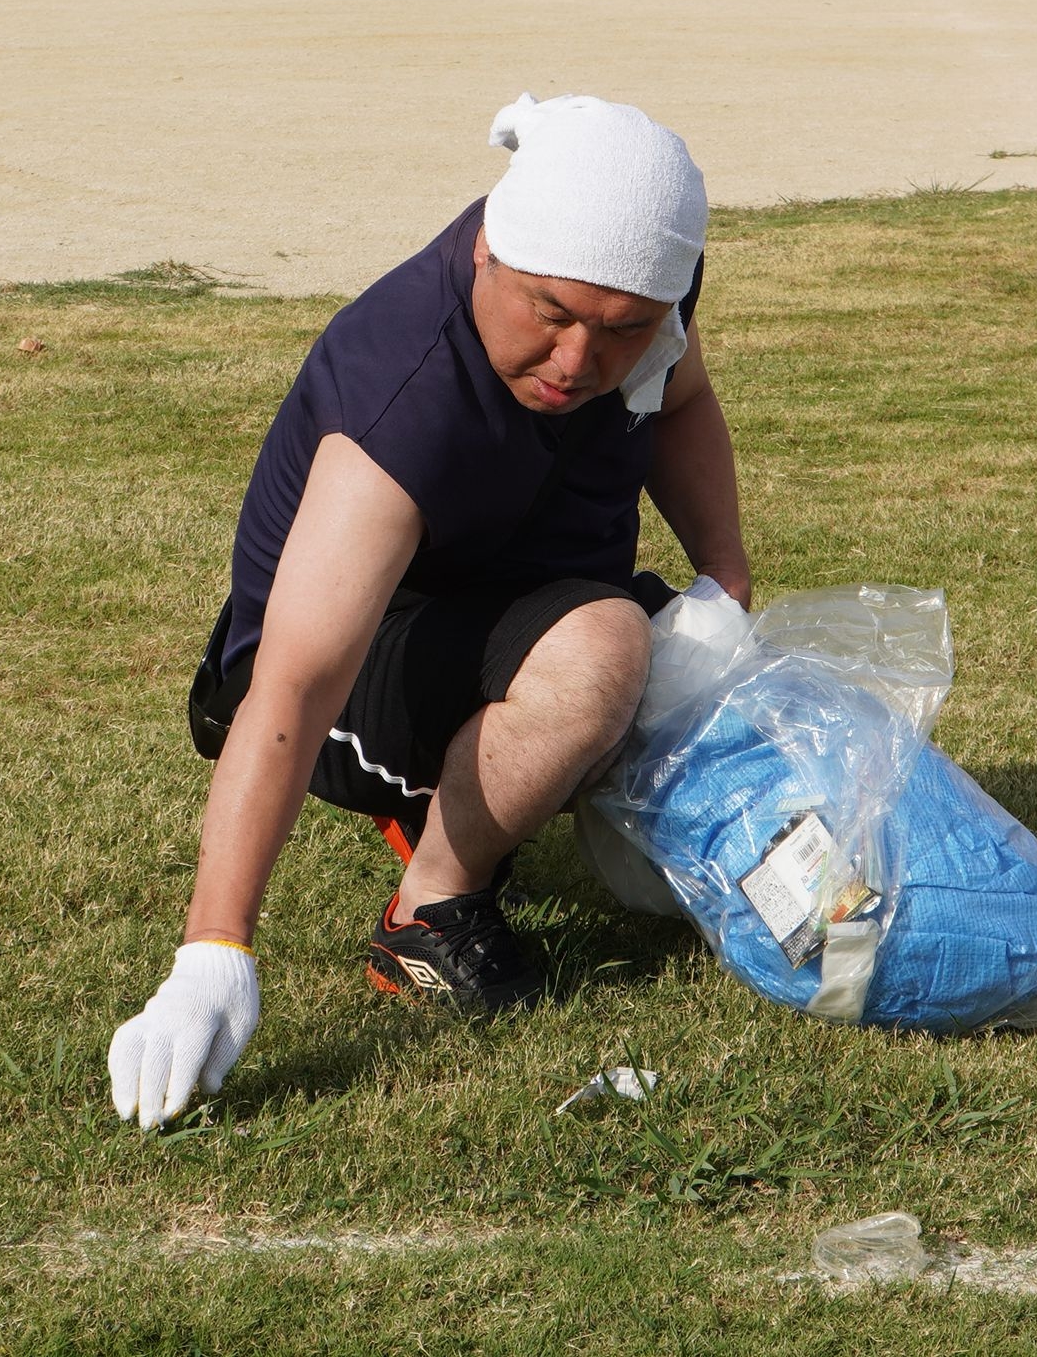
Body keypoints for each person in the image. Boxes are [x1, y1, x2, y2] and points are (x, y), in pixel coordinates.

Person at [107, 94, 751, 1128]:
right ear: (488, 251)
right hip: (349, 664)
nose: (579, 360)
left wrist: (724, 573)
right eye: (548, 312)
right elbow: (293, 679)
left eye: (619, 329)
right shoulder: (405, 387)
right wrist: (211, 952)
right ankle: (428, 913)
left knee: (713, 695)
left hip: (506, 592)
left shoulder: (637, 279)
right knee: (604, 654)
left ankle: (482, 781)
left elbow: (678, 396)